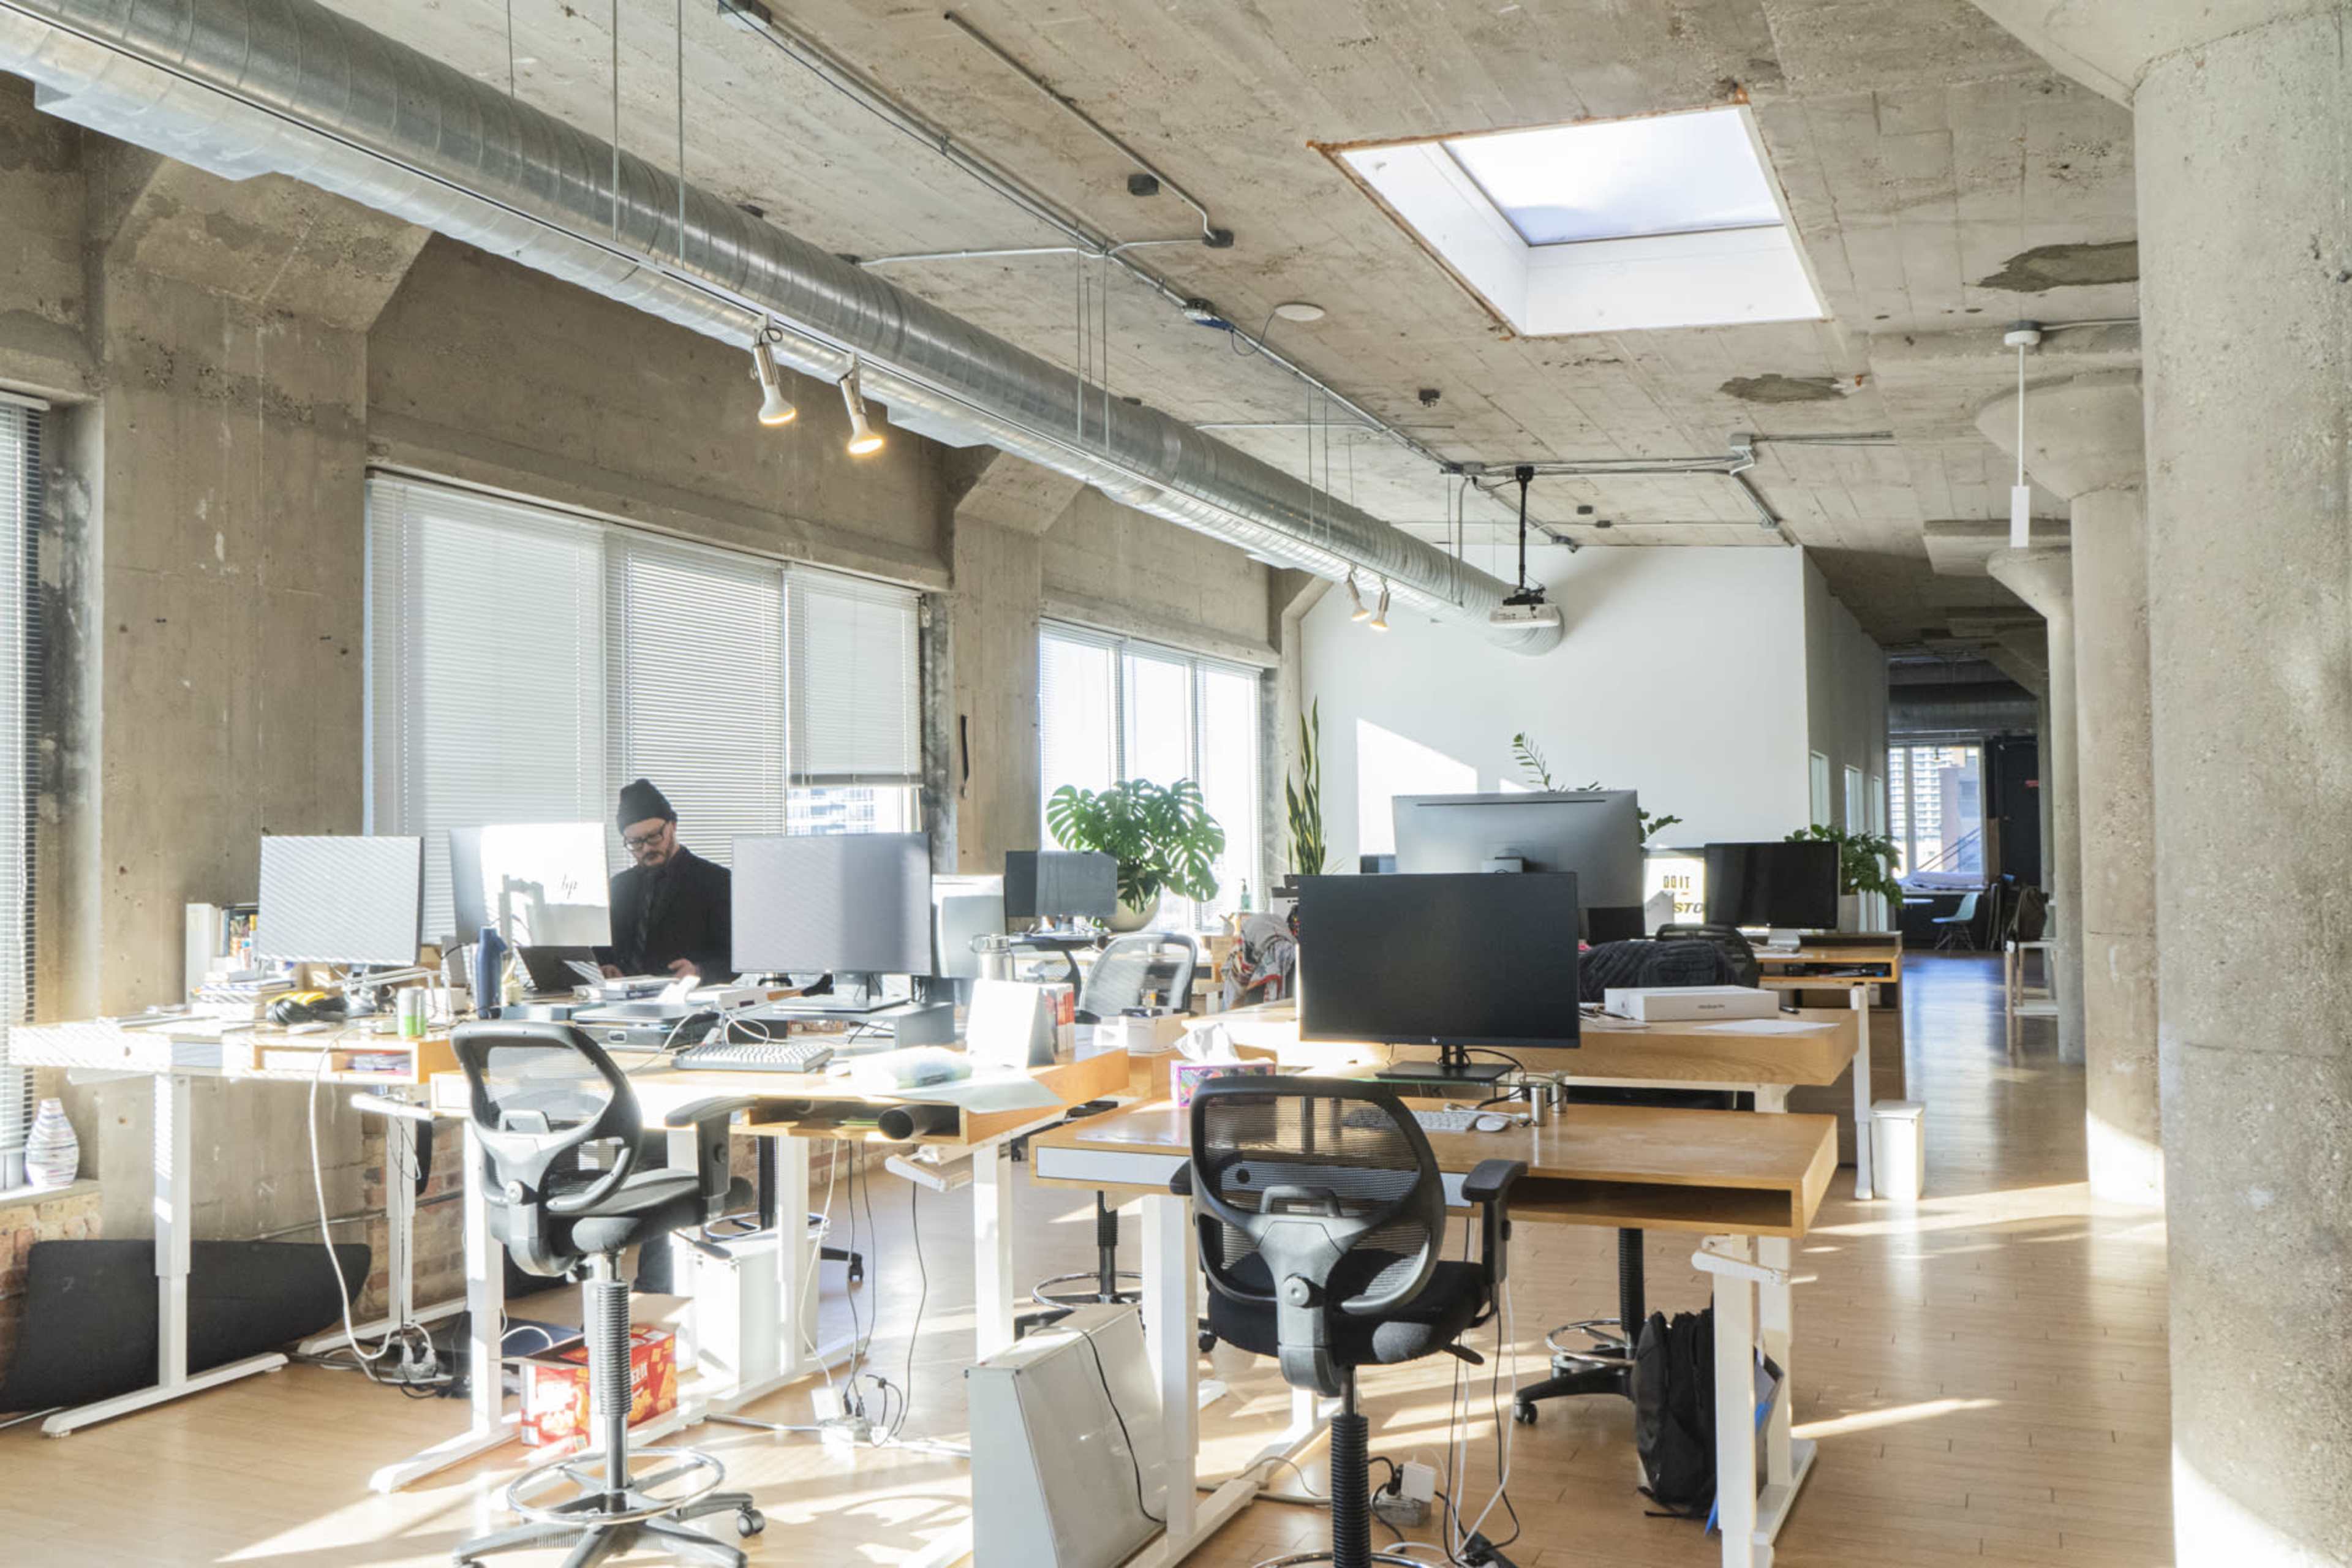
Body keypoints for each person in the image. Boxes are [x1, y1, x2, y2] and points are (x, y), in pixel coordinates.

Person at [600, 778, 733, 981]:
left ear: (673, 825)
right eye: (635, 842)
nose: (646, 848)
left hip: (688, 1003)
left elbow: (734, 958)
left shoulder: (716, 881)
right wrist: (605, 967)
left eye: (653, 836)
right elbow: (602, 950)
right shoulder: (618, 886)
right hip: (622, 1002)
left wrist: (698, 971)